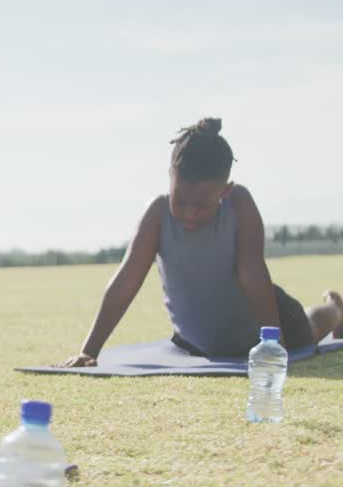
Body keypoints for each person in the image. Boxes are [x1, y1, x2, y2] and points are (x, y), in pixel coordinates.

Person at [58, 118, 343, 367]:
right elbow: (125, 282)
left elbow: (253, 275)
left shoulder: (239, 203)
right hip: (198, 343)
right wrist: (89, 351)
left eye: (202, 205)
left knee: (311, 327)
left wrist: (274, 343)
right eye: (180, 201)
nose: (189, 213)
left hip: (267, 324)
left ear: (225, 190)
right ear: (170, 177)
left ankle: (335, 309)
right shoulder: (157, 215)